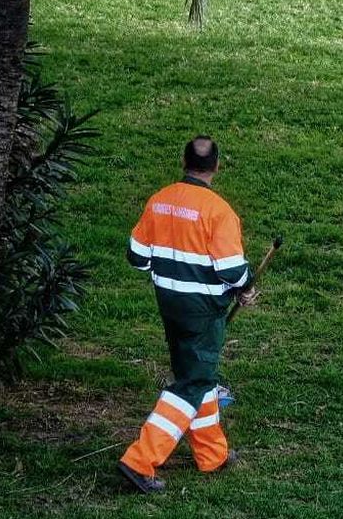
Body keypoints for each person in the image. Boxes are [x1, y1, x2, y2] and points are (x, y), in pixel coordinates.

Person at [118, 136, 257, 494]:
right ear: (217, 166)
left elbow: (137, 257)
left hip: (169, 303)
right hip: (204, 311)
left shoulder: (159, 200)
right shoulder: (219, 211)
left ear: (183, 162)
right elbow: (230, 269)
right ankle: (140, 459)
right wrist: (246, 287)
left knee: (197, 374)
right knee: (193, 382)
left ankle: (211, 453)